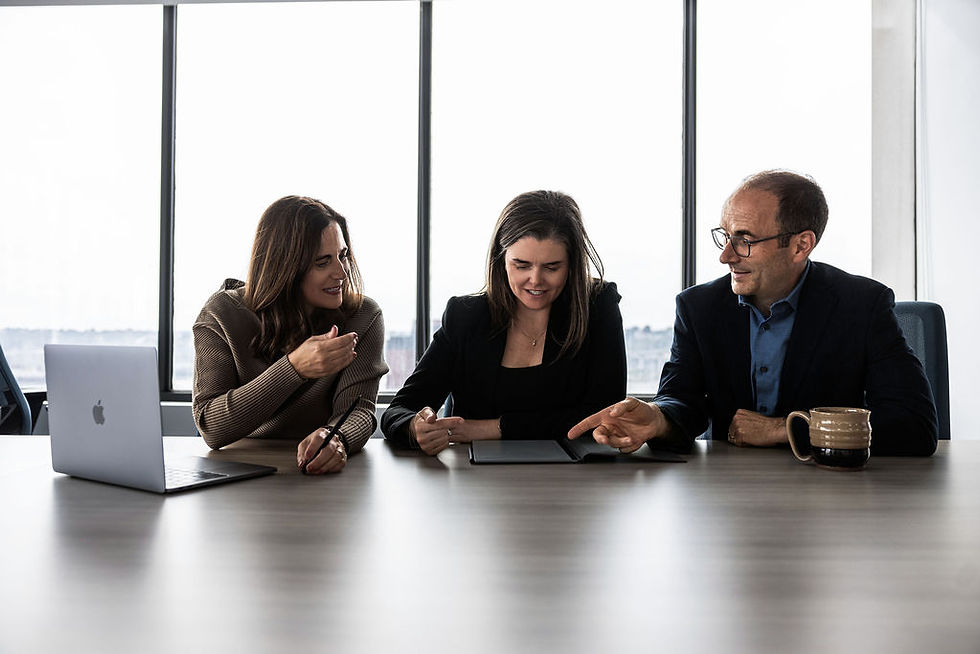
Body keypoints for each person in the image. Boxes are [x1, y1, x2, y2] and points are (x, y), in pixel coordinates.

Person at [570, 170, 938, 456]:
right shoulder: (699, 307)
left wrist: (786, 429)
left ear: (800, 245)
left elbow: (914, 426)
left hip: (833, 499)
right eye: (725, 236)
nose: (726, 255)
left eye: (744, 240)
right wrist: (658, 419)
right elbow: (682, 401)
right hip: (730, 495)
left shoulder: (862, 304)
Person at [381, 190, 626, 454]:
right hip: (476, 481)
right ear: (502, 260)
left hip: (575, 481)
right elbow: (398, 411)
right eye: (521, 265)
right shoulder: (465, 316)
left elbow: (605, 415)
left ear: (572, 264)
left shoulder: (598, 306)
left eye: (552, 267)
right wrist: (416, 427)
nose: (535, 280)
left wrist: (492, 428)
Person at [192, 195, 388, 474]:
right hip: (241, 471)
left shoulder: (364, 316)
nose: (342, 272)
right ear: (284, 268)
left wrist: (336, 439)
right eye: (323, 262)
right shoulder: (222, 314)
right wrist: (294, 368)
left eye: (343, 256)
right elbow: (211, 428)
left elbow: (359, 410)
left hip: (319, 474)